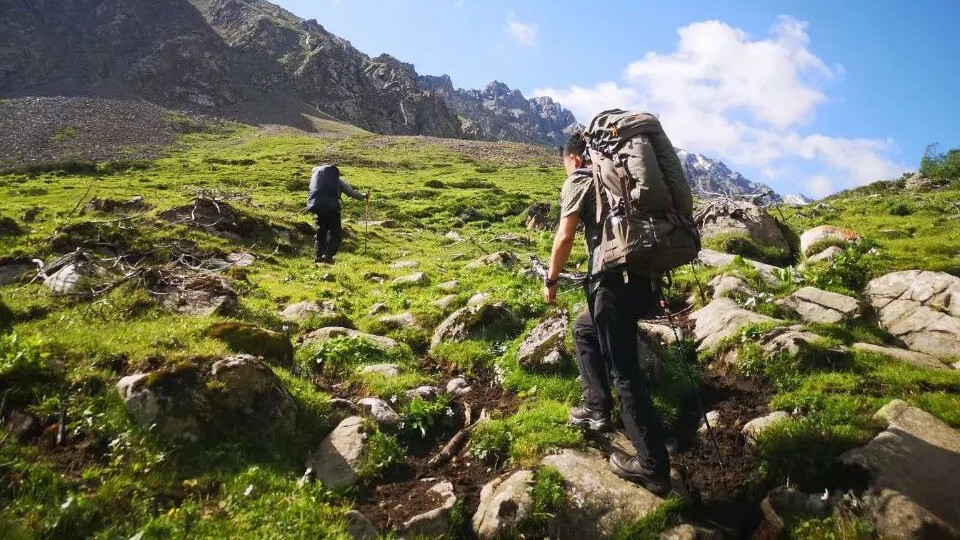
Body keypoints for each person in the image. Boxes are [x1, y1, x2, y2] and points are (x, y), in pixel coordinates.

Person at [543, 133, 671, 495]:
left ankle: (653, 467)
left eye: (565, 164)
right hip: (645, 281)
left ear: (573, 158)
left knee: (624, 372)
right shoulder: (622, 178)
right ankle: (596, 407)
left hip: (614, 284)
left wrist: (551, 280)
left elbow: (565, 236)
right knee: (585, 329)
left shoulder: (580, 179)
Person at [306, 164, 368, 264]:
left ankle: (318, 256)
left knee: (320, 233)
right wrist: (364, 196)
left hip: (318, 209)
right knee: (336, 234)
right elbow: (351, 193)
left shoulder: (316, 181)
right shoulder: (338, 181)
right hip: (332, 210)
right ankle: (328, 256)